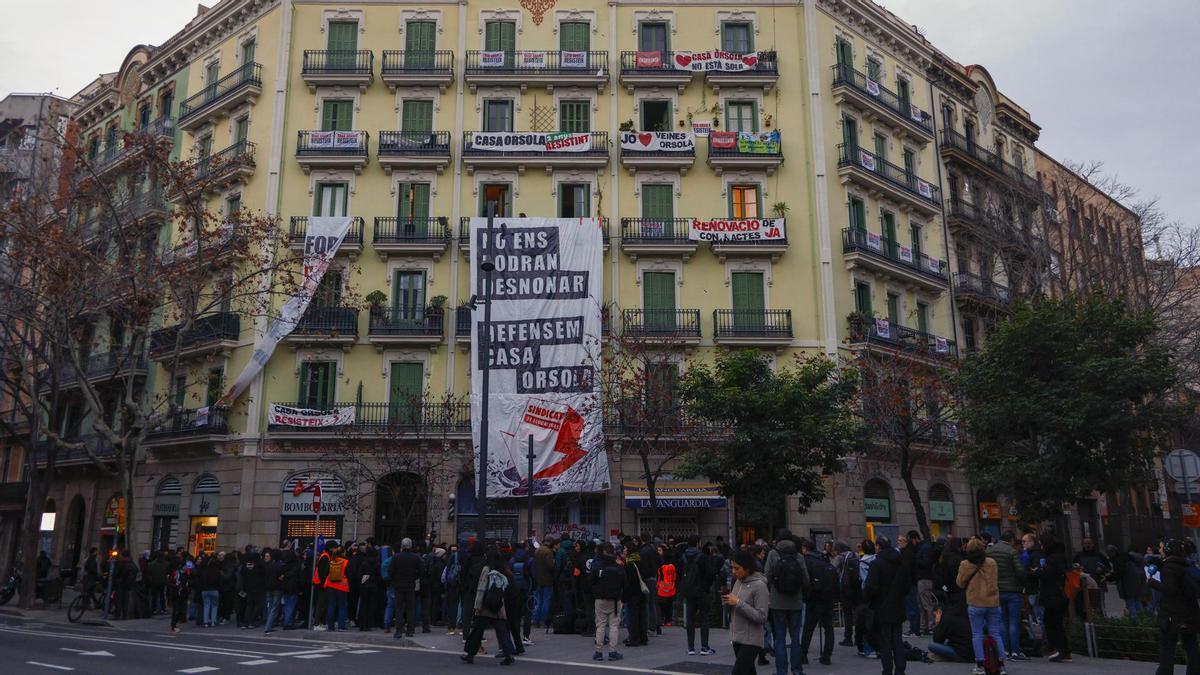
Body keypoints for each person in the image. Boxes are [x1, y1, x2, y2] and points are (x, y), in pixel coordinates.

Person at [1147, 539, 1200, 675]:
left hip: (1172, 614)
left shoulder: (1169, 567)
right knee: (1191, 645)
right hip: (1190, 612)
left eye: (1161, 548)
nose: (1160, 550)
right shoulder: (1186, 564)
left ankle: (1165, 672)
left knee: (1167, 647)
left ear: (1168, 550)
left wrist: (1152, 582)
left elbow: (1171, 590)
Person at [957, 536, 1007, 675]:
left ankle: (980, 665)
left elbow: (960, 583)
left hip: (975, 602)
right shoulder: (992, 562)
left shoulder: (965, 564)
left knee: (977, 634)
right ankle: (1001, 665)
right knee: (995, 633)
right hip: (992, 601)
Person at [461, 547, 518, 666]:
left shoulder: (487, 568)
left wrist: (477, 605)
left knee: (477, 631)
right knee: (502, 630)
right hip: (498, 605)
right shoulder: (503, 568)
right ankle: (508, 654)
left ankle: (470, 654)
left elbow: (481, 587)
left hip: (485, 605)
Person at [864, 535, 911, 675]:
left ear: (878, 546)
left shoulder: (876, 564)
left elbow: (871, 588)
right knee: (897, 638)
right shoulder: (901, 562)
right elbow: (907, 586)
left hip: (882, 607)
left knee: (885, 641)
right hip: (898, 605)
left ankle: (887, 670)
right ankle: (900, 670)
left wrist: (866, 599)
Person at [764, 531, 807, 675]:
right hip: (795, 602)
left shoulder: (772, 554)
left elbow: (767, 576)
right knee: (796, 638)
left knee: (780, 638)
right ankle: (797, 670)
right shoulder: (799, 556)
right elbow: (805, 579)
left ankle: (781, 671)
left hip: (777, 602)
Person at [725, 550, 770, 675]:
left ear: (747, 568)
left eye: (737, 568)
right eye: (732, 568)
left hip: (751, 640)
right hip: (737, 637)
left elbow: (762, 617)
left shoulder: (760, 586)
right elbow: (735, 606)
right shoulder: (738, 582)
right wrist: (728, 602)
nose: (733, 572)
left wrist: (738, 603)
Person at [988, 530, 1027, 661]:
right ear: (1011, 539)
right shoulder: (1012, 551)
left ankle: (1004, 649)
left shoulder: (990, 551)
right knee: (1014, 622)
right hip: (1013, 591)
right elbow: (1020, 571)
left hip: (997, 590)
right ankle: (1015, 651)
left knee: (1002, 621)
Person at [1032, 535, 1072, 662]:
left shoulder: (1053, 559)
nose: (1041, 547)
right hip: (1058, 594)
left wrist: (1037, 571)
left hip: (1054, 595)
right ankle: (1057, 649)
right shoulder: (1059, 556)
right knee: (1051, 621)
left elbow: (1048, 574)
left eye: (1042, 544)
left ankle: (1062, 650)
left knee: (1054, 623)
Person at [801, 536, 838, 667]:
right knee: (829, 628)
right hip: (827, 598)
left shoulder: (807, 560)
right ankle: (827, 655)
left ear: (805, 548)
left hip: (814, 599)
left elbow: (805, 581)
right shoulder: (823, 558)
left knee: (808, 627)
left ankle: (803, 654)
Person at [680, 535, 716, 656]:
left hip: (688, 591)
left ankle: (691, 647)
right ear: (698, 544)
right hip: (701, 591)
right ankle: (704, 647)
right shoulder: (703, 557)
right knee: (704, 617)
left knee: (690, 618)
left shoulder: (683, 557)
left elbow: (679, 573)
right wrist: (705, 587)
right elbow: (710, 574)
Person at [590, 542, 626, 662]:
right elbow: (624, 583)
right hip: (615, 600)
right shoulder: (618, 567)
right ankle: (612, 651)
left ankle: (598, 651)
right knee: (614, 626)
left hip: (600, 599)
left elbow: (591, 582)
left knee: (600, 625)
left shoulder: (597, 566)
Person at [387, 538, 421, 637]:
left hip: (398, 585)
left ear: (402, 546)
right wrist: (414, 577)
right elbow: (421, 571)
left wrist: (395, 579)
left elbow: (390, 571)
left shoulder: (396, 557)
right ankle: (410, 630)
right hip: (410, 585)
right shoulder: (415, 558)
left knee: (399, 608)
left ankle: (398, 630)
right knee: (410, 608)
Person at [834, 541, 859, 647]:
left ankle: (848, 638)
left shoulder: (839, 557)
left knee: (847, 614)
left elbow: (832, 568)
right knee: (857, 613)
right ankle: (859, 637)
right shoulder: (855, 555)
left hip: (845, 588)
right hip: (856, 587)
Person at [1112, 544, 1147, 617]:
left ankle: (1134, 621)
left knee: (1130, 603)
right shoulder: (1142, 558)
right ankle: (1142, 620)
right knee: (1138, 601)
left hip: (1129, 583)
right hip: (1140, 580)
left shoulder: (1126, 558)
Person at [914, 532, 937, 635]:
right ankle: (926, 626)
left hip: (924, 579)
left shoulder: (923, 549)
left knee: (925, 604)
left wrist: (917, 560)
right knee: (923, 604)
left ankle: (930, 626)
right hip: (923, 579)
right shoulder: (924, 548)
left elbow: (927, 563)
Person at [323, 542, 350, 631]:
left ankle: (330, 627)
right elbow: (349, 574)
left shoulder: (331, 560)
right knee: (342, 606)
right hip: (342, 586)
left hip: (330, 585)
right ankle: (341, 626)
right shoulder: (346, 562)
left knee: (331, 605)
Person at [532, 537, 556, 627]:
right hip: (547, 579)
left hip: (538, 579)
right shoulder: (548, 552)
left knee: (538, 601)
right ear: (550, 542)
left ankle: (535, 620)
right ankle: (543, 620)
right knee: (546, 601)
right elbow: (551, 566)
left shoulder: (537, 551)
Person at [656, 545, 677, 632]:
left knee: (662, 605)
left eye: (660, 550)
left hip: (662, 588)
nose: (658, 552)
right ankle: (668, 620)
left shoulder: (660, 565)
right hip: (671, 588)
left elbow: (659, 577)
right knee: (669, 605)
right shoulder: (672, 565)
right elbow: (674, 577)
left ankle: (662, 620)